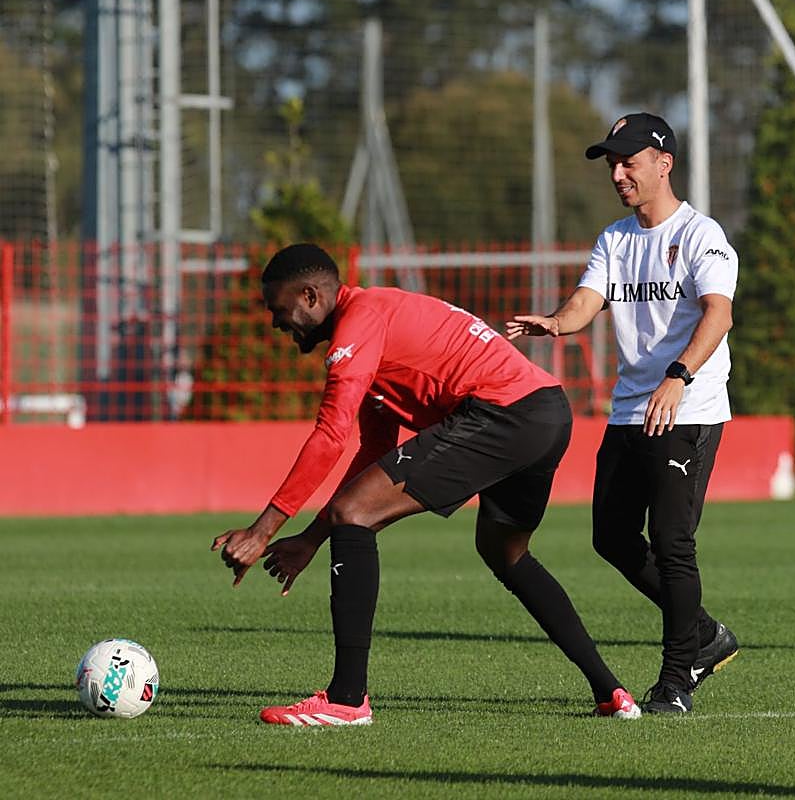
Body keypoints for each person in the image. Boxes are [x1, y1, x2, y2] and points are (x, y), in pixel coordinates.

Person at [211, 243, 642, 725]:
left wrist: (262, 530)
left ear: (310, 296)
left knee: (355, 513)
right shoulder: (375, 319)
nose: (276, 322)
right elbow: (374, 452)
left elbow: (330, 435)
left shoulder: (360, 322)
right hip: (543, 412)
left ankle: (348, 700)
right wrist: (311, 539)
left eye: (279, 308)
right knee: (506, 553)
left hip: (503, 413)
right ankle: (612, 692)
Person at [506, 113, 740, 713]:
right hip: (630, 410)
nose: (617, 173)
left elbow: (719, 313)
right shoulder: (615, 238)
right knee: (610, 537)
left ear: (664, 163)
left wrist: (678, 377)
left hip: (686, 409)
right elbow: (591, 297)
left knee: (671, 543)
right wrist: (558, 321)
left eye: (628, 161)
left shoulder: (700, 235)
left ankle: (676, 679)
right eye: (612, 162)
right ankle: (706, 635)